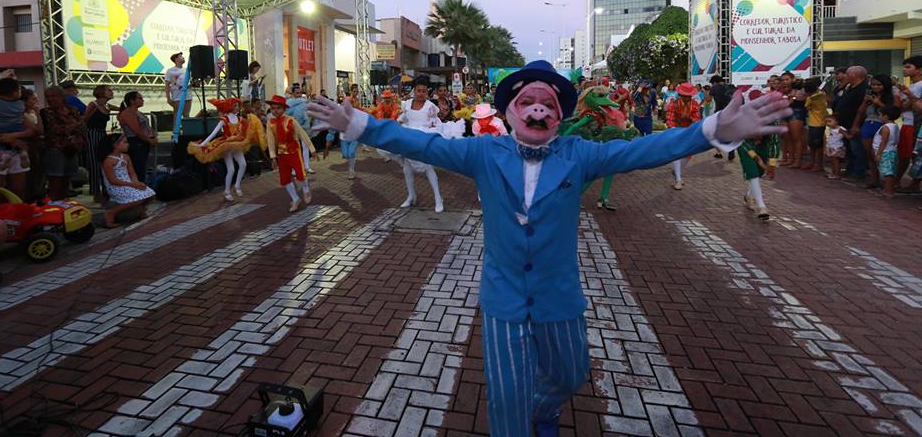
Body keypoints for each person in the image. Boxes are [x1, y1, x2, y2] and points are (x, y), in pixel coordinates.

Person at [308, 60, 789, 437]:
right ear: (511, 111)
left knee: (569, 375)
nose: (537, 107)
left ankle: (545, 407)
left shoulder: (581, 154)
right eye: (528, 99)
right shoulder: (482, 151)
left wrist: (714, 131)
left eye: (547, 101)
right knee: (505, 398)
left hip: (560, 298)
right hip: (503, 300)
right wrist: (363, 125)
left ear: (560, 114)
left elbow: (645, 150)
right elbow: (422, 145)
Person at [189, 97, 266, 202]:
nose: (237, 108)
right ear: (229, 107)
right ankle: (227, 191)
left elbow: (246, 129)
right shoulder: (224, 119)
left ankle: (237, 185)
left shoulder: (239, 119)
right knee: (231, 169)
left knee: (243, 164)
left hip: (237, 143)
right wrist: (203, 144)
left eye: (237, 106)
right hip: (226, 145)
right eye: (235, 106)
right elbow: (214, 133)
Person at [397, 77, 445, 213]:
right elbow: (403, 118)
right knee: (407, 168)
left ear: (427, 92)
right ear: (414, 91)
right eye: (418, 90)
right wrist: (400, 122)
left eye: (424, 91)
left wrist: (431, 134)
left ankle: (438, 198)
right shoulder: (406, 104)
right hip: (408, 138)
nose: (421, 93)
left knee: (428, 168)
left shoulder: (430, 107)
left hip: (423, 139)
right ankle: (411, 196)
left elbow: (436, 123)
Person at [266, 95, 315, 212]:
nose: (275, 110)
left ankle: (306, 190)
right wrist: (273, 157)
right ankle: (295, 198)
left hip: (294, 151)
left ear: (284, 109)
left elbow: (302, 134)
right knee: (284, 179)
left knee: (300, 174)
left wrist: (311, 149)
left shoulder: (290, 120)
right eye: (273, 108)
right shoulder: (270, 122)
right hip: (281, 154)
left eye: (278, 108)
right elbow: (270, 140)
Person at [98, 133, 156, 227]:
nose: (128, 144)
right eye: (125, 142)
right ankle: (111, 212)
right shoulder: (108, 161)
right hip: (116, 187)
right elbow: (112, 180)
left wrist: (136, 182)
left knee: (151, 194)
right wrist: (133, 185)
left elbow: (132, 173)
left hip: (129, 184)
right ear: (115, 145)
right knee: (140, 198)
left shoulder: (126, 157)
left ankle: (141, 210)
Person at [40, 87, 86, 200]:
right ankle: (54, 206)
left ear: (61, 97)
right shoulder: (45, 112)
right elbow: (55, 129)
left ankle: (63, 206)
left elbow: (83, 128)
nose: (50, 99)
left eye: (53, 96)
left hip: (72, 149)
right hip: (55, 150)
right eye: (48, 97)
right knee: (55, 183)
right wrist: (74, 125)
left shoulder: (73, 110)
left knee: (67, 181)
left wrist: (74, 127)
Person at [737, 91, 774, 220]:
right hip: (745, 143)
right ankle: (761, 206)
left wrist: (772, 163)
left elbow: (774, 141)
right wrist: (756, 157)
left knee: (759, 172)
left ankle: (748, 196)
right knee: (752, 171)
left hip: (762, 143)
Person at [852, 73, 894, 188]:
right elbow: (860, 112)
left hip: (883, 126)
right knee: (870, 154)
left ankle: (888, 181)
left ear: (885, 85)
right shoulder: (869, 95)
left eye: (879, 85)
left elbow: (893, 112)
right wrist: (866, 101)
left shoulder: (891, 96)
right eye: (874, 84)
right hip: (868, 124)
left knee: (884, 154)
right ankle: (874, 180)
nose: (876, 87)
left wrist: (878, 103)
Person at [0, 77, 30, 171]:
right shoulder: (21, 104)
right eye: (20, 90)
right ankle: (23, 153)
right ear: (15, 93)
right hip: (17, 128)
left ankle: (3, 155)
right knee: (21, 141)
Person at [666, 82, 702, 190]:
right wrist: (672, 129)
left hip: (689, 131)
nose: (687, 98)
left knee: (688, 154)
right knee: (677, 153)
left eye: (689, 96)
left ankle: (678, 171)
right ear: (680, 95)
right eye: (685, 96)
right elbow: (670, 118)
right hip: (676, 130)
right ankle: (678, 179)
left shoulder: (695, 104)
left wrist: (691, 126)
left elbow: (696, 118)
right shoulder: (673, 104)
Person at [834, 65, 868, 179]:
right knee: (849, 148)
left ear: (855, 75)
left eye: (848, 74)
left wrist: (856, 124)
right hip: (846, 122)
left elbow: (861, 110)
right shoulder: (851, 87)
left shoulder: (863, 89)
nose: (846, 76)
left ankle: (858, 172)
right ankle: (851, 168)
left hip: (855, 123)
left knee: (857, 149)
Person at [82, 85, 113, 203]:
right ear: (102, 92)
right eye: (109, 90)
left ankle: (106, 190)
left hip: (102, 134)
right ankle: (96, 192)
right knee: (95, 163)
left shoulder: (105, 106)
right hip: (92, 134)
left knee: (104, 162)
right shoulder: (93, 105)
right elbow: (85, 119)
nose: (111, 92)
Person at [117, 91, 157, 183]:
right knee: (138, 167)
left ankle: (142, 186)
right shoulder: (128, 113)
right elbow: (137, 130)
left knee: (142, 166)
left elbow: (146, 127)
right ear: (132, 101)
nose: (142, 100)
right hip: (136, 142)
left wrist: (153, 137)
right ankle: (138, 188)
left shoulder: (138, 112)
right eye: (139, 98)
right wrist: (149, 140)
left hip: (143, 141)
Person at [895, 56, 922, 184]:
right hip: (907, 123)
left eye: (908, 67)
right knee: (905, 154)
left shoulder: (920, 86)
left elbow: (912, 106)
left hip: (914, 124)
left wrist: (908, 98)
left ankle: (913, 184)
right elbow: (903, 107)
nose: (904, 70)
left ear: (919, 70)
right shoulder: (911, 86)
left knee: (912, 155)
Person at [874, 105, 901, 198]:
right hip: (892, 151)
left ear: (886, 116)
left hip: (886, 152)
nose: (879, 117)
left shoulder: (885, 127)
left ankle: (889, 191)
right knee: (890, 171)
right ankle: (887, 189)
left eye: (880, 115)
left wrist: (879, 154)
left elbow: (884, 141)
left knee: (888, 172)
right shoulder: (895, 126)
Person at [802, 77, 828, 173]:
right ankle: (814, 163)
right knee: (815, 145)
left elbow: (806, 107)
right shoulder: (822, 94)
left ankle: (817, 164)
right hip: (820, 122)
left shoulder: (810, 98)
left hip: (815, 123)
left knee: (816, 146)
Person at [165, 52, 192, 117]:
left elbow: (190, 83)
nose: (183, 57)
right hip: (177, 96)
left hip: (187, 95)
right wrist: (168, 98)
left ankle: (186, 127)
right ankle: (176, 127)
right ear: (176, 59)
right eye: (180, 56)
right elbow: (167, 85)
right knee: (177, 114)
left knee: (186, 114)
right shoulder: (170, 71)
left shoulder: (187, 70)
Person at [824, 114, 847, 180]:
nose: (828, 123)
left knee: (836, 161)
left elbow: (847, 135)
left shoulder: (840, 129)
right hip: (832, 147)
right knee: (832, 161)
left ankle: (837, 174)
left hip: (837, 147)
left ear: (837, 122)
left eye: (830, 121)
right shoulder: (832, 129)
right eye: (827, 122)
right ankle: (833, 173)